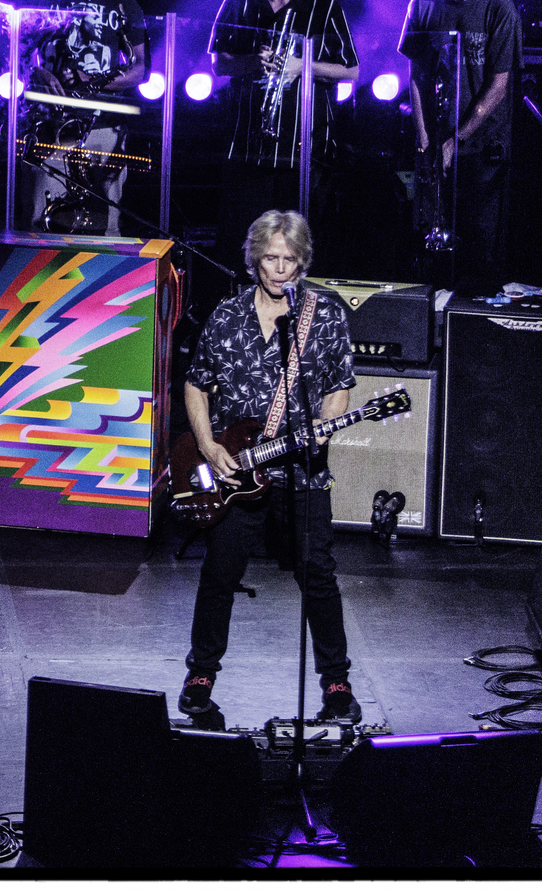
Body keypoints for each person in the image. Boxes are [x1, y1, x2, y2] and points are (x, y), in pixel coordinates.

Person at [179, 210, 359, 728]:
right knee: (219, 575)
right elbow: (196, 383)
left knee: (318, 578)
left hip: (303, 476)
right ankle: (200, 676)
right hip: (236, 474)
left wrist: (324, 426)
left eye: (290, 260)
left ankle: (337, 683)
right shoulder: (228, 315)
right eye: (271, 259)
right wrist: (208, 444)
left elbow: (339, 386)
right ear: (255, 259)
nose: (280, 270)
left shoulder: (324, 316)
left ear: (303, 262)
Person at [206, 0, 358, 263]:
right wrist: (251, 62)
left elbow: (352, 70)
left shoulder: (323, 4)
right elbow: (218, 63)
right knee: (242, 245)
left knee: (296, 248)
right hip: (247, 148)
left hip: (302, 151)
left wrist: (301, 66)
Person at [397, 0, 520, 289]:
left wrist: (458, 138)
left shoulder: (500, 9)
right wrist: (424, 139)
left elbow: (498, 86)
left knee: (479, 246)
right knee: (429, 247)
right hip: (435, 145)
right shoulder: (423, 3)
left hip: (481, 150)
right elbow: (416, 76)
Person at [20, 0, 148, 234]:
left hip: (103, 126)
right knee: (40, 224)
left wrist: (93, 80)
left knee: (106, 226)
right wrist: (38, 72)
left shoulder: (121, 1)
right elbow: (16, 56)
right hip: (49, 125)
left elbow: (141, 69)